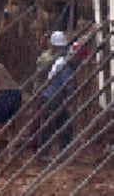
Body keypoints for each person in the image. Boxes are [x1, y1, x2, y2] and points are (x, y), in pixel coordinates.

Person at [38, 31, 77, 163]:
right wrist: (69, 99)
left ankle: (56, 153)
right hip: (51, 97)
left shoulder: (60, 60)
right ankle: (47, 154)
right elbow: (67, 86)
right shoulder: (62, 64)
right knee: (54, 125)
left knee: (58, 124)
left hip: (50, 96)